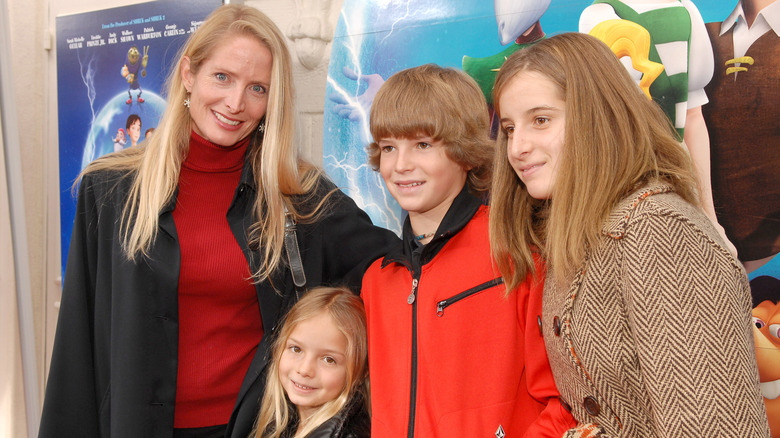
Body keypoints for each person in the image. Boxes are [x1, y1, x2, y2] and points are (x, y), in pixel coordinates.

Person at [39, 5, 397, 438]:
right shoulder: (111, 189)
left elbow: (395, 268)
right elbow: (79, 341)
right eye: (222, 77)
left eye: (257, 88)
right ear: (189, 74)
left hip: (253, 428)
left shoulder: (299, 198)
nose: (235, 103)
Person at [489, 32, 770, 437]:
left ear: (597, 116)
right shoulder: (574, 238)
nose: (517, 147)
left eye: (541, 120)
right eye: (511, 128)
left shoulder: (658, 231)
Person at [360, 64, 575, 437]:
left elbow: (568, 403)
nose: (400, 165)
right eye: (389, 147)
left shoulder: (517, 251)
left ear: (466, 152)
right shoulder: (377, 280)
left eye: (423, 145)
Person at [253, 287, 369, 438]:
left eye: (329, 360)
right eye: (296, 349)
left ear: (361, 370)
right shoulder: (284, 419)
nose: (304, 369)